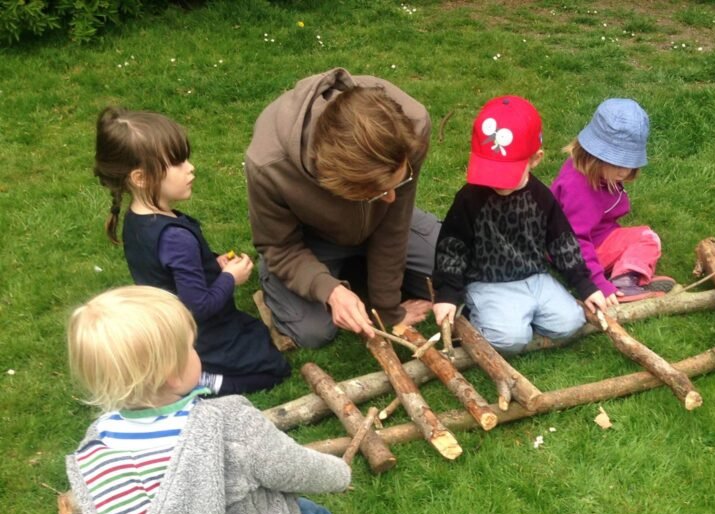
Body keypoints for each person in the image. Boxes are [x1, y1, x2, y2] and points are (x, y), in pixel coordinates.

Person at [64, 286, 351, 514]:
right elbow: (292, 469)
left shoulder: (98, 443)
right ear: (170, 373)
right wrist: (339, 473)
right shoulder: (228, 422)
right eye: (189, 348)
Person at [94, 106, 290, 396]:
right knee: (276, 369)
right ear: (141, 178)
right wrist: (229, 278)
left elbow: (169, 271)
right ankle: (208, 382)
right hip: (200, 336)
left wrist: (213, 261)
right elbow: (198, 307)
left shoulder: (137, 220)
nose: (190, 167)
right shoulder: (175, 238)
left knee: (258, 334)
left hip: (169, 328)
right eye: (177, 163)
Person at [245, 68, 441, 348]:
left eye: (396, 183)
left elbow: (394, 222)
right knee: (313, 332)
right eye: (378, 192)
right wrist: (330, 291)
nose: (390, 198)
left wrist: (387, 311)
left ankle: (358, 277)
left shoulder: (412, 124)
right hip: (310, 242)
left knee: (451, 274)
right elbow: (280, 246)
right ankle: (322, 281)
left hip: (378, 226)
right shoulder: (268, 164)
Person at [431, 95, 606, 355]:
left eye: (505, 174)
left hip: (535, 278)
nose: (498, 182)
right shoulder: (470, 199)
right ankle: (479, 313)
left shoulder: (541, 197)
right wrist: (448, 293)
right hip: (488, 282)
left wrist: (585, 285)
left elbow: (562, 243)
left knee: (571, 323)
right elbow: (452, 248)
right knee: (510, 340)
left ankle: (517, 315)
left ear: (535, 159)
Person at [551, 98, 675, 304]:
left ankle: (629, 275)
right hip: (573, 252)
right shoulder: (579, 188)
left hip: (597, 237)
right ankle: (623, 284)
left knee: (643, 239)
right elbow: (575, 240)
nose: (624, 170)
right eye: (618, 162)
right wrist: (597, 283)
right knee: (647, 239)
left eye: (629, 162)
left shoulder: (594, 172)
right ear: (595, 156)